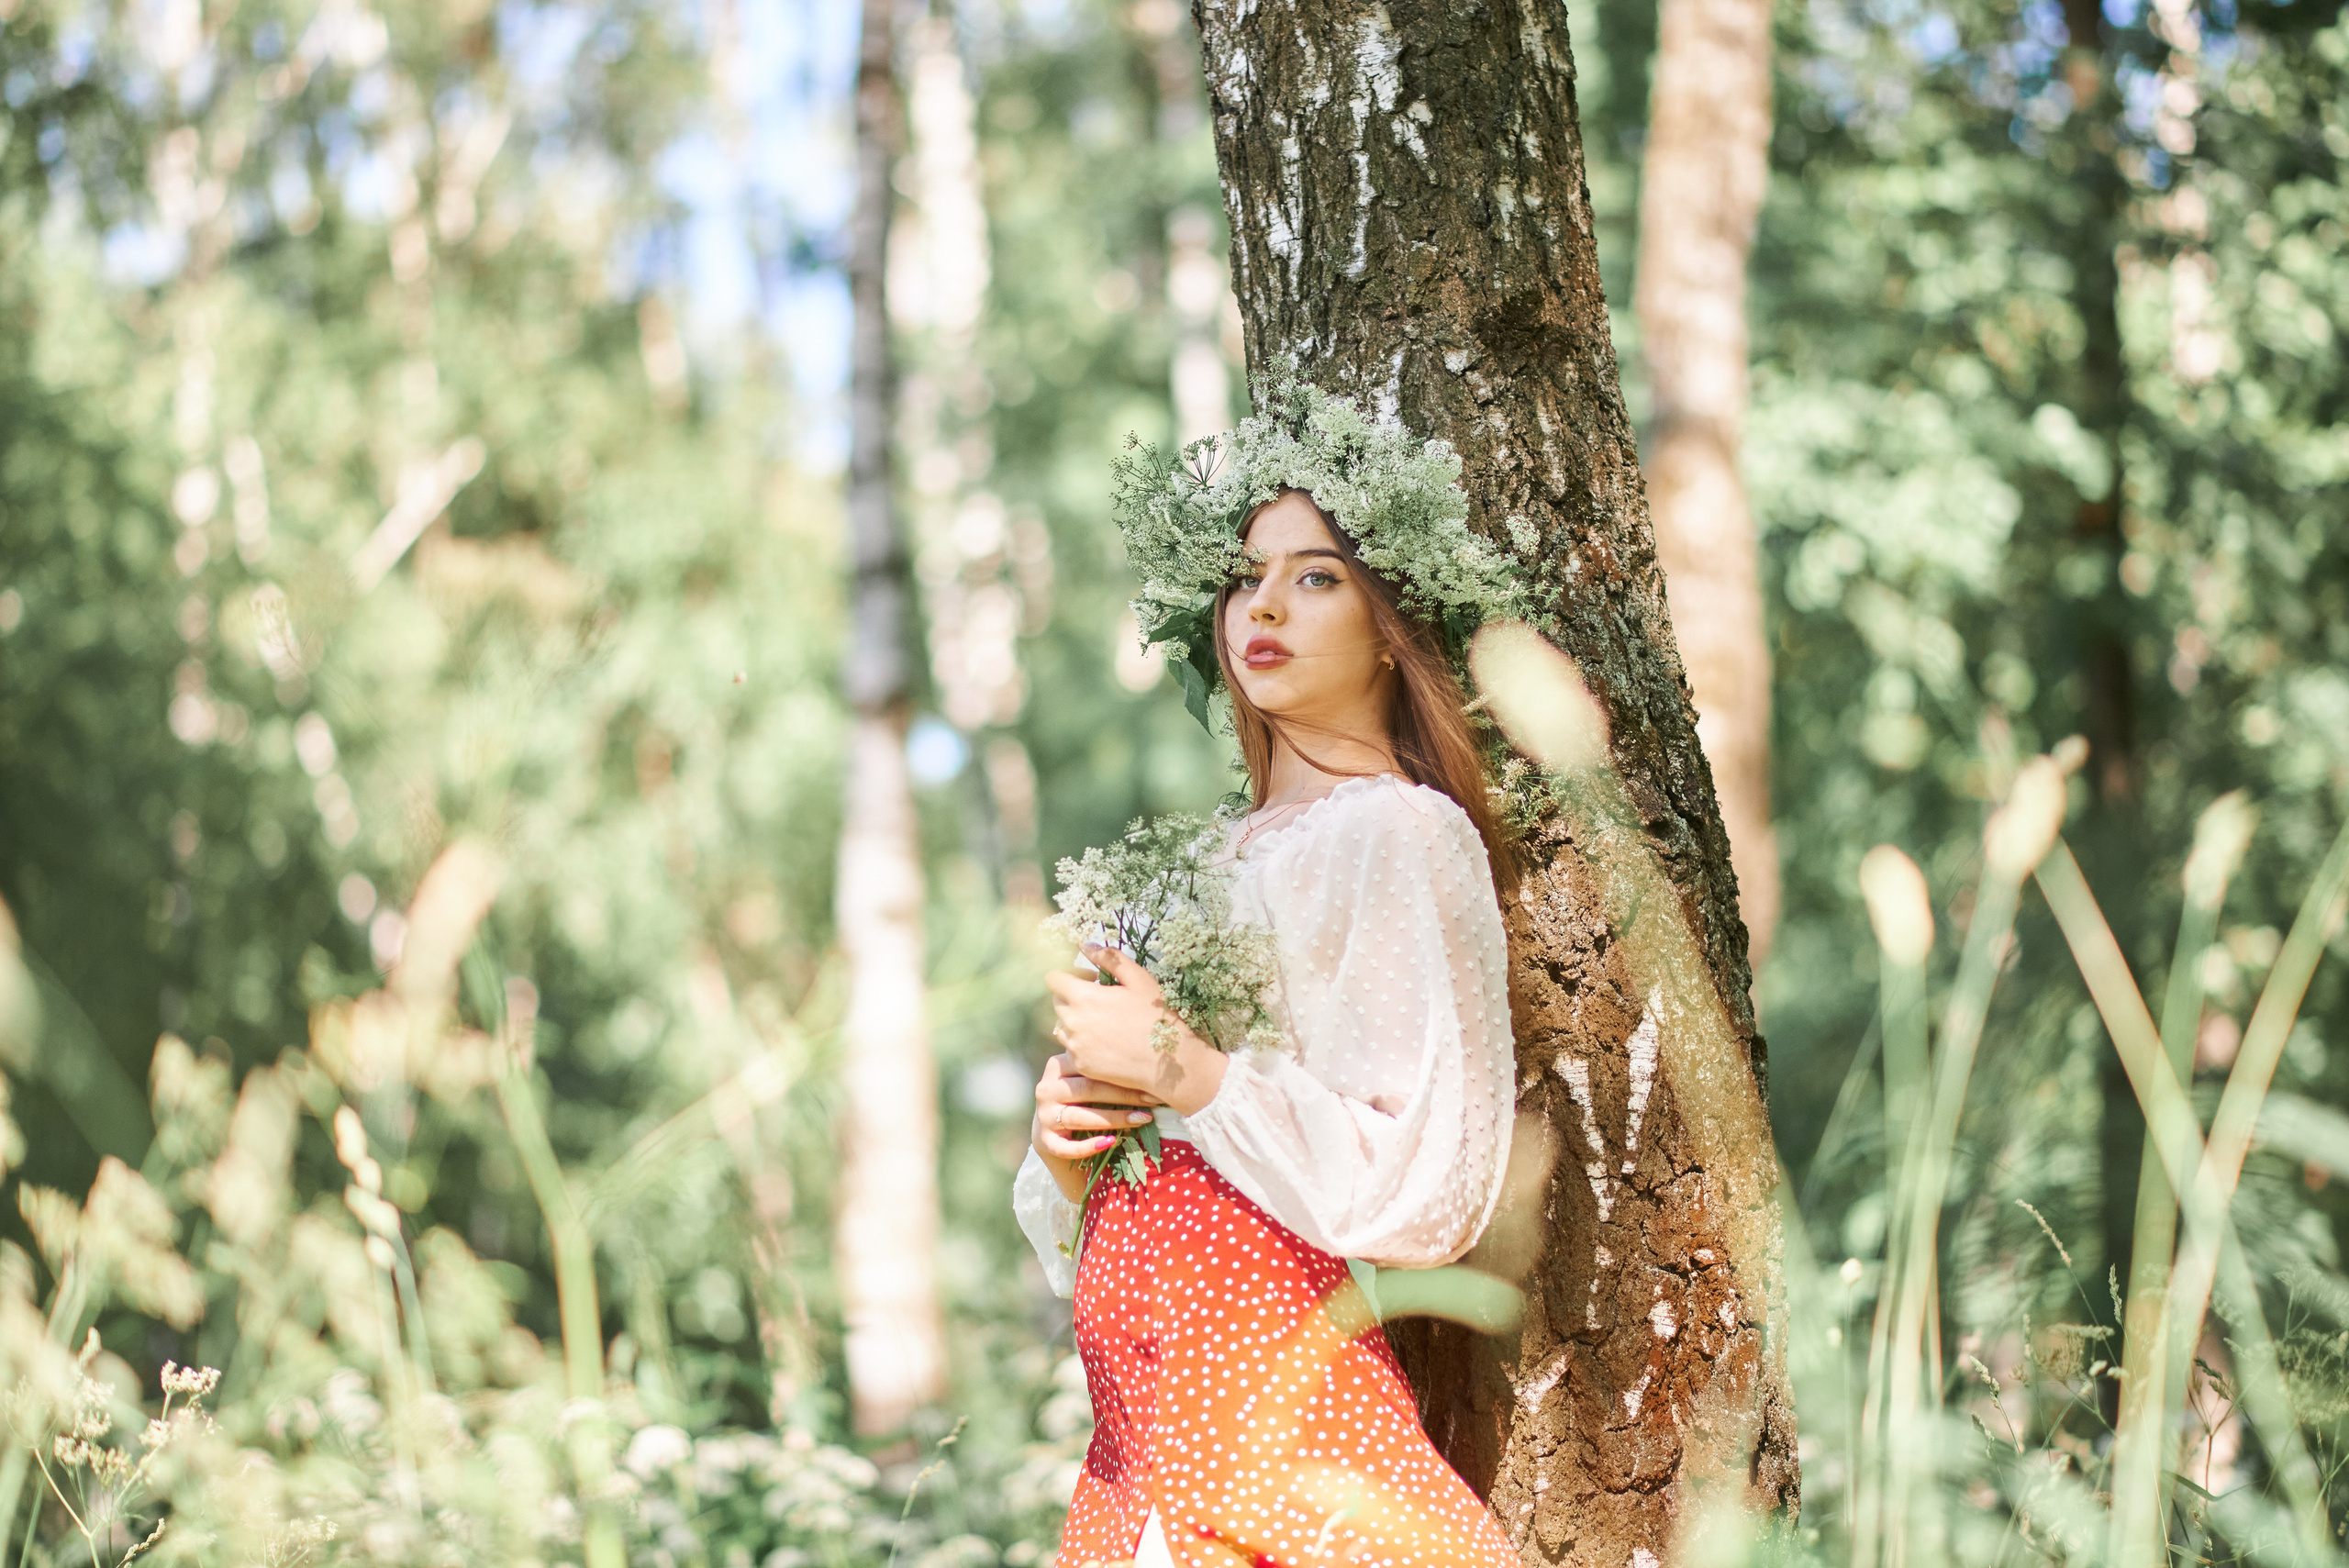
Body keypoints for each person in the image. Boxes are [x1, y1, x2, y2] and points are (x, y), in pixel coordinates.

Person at [1013, 375, 1525, 1568]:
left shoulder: (1399, 834)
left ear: (1393, 621)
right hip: (1138, 1431)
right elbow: (1131, 1155)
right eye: (1247, 576)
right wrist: (1065, 1144)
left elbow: (1429, 1179)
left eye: (1316, 575)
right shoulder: (1187, 864)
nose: (1266, 604)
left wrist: (1197, 1075)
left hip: (1269, 1393)